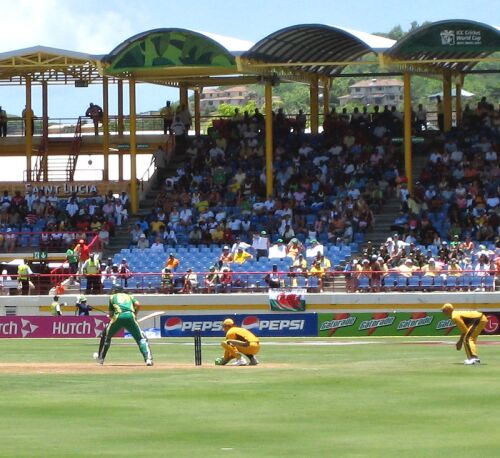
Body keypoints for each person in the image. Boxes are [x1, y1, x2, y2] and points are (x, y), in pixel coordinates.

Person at [93, 284, 153, 366]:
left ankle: (101, 358)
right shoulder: (129, 296)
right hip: (130, 316)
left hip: (118, 317)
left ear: (115, 291)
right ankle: (148, 359)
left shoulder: (112, 297)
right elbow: (138, 305)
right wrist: (135, 314)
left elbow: (111, 314)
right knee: (141, 338)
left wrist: (110, 316)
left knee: (106, 336)